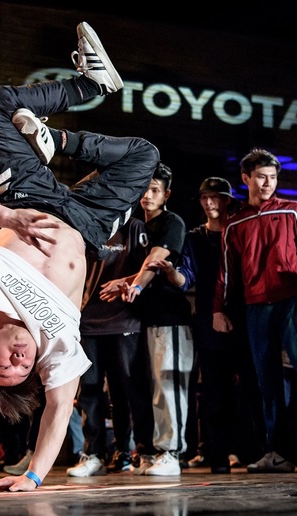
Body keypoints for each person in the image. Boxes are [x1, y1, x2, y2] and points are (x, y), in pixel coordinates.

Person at [0, 21, 159, 492]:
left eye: (3, 366)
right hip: (90, 224)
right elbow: (57, 407)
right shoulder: (55, 351)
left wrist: (7, 218)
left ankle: (88, 85)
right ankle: (60, 142)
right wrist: (32, 476)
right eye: (21, 370)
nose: (18, 361)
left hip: (22, 198)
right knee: (143, 155)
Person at [212, 148, 297, 474]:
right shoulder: (234, 223)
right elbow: (227, 272)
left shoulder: (291, 209)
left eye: (272, 177)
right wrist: (218, 308)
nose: (268, 183)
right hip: (256, 308)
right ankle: (276, 452)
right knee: (267, 383)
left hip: (292, 301)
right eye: (261, 177)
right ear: (246, 178)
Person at [147, 177, 260, 473]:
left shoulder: (241, 230)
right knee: (214, 392)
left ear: (227, 200)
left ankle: (252, 452)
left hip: (246, 319)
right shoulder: (195, 237)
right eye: (204, 198)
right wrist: (170, 272)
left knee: (250, 389)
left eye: (216, 197)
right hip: (210, 323)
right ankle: (217, 455)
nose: (210, 203)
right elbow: (186, 278)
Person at [99, 163, 194, 476]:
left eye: (155, 190)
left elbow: (156, 261)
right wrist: (126, 282)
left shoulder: (172, 222)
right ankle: (150, 452)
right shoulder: (134, 225)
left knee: (168, 386)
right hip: (141, 321)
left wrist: (133, 285)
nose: (148, 195)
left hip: (169, 318)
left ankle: (172, 454)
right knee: (146, 389)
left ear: (167, 194)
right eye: (145, 188)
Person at [67, 216, 155, 477]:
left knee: (130, 389)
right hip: (88, 321)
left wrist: (126, 282)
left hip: (124, 319)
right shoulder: (86, 224)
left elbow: (150, 269)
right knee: (90, 390)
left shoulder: (135, 227)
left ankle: (140, 451)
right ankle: (93, 454)